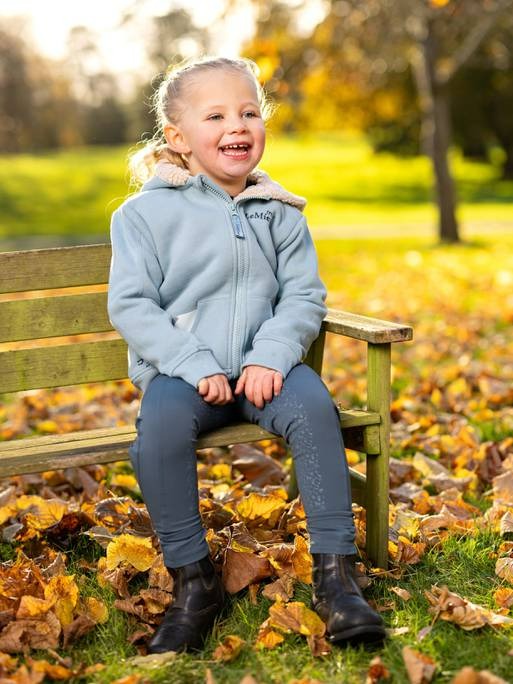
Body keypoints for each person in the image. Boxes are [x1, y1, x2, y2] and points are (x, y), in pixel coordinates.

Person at [107, 56, 385, 655]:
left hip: (268, 373)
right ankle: (193, 583)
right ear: (179, 137)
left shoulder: (279, 211)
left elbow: (303, 295)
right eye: (216, 116)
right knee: (159, 428)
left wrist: (273, 355)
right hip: (186, 377)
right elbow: (132, 305)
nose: (238, 125)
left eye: (249, 112)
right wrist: (192, 363)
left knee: (315, 409)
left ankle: (337, 578)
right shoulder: (142, 216)